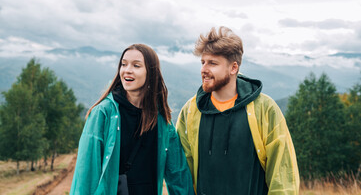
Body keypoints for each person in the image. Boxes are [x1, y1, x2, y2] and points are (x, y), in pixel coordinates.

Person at [176, 27, 300, 195]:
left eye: (212, 63)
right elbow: (183, 175)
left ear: (233, 68)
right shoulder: (191, 111)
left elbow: (283, 176)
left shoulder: (264, 109)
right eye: (203, 62)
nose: (204, 69)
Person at [70, 44, 194, 195]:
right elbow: (85, 175)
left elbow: (178, 175)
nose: (127, 69)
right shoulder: (103, 113)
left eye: (136, 65)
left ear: (151, 73)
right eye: (123, 64)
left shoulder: (161, 120)